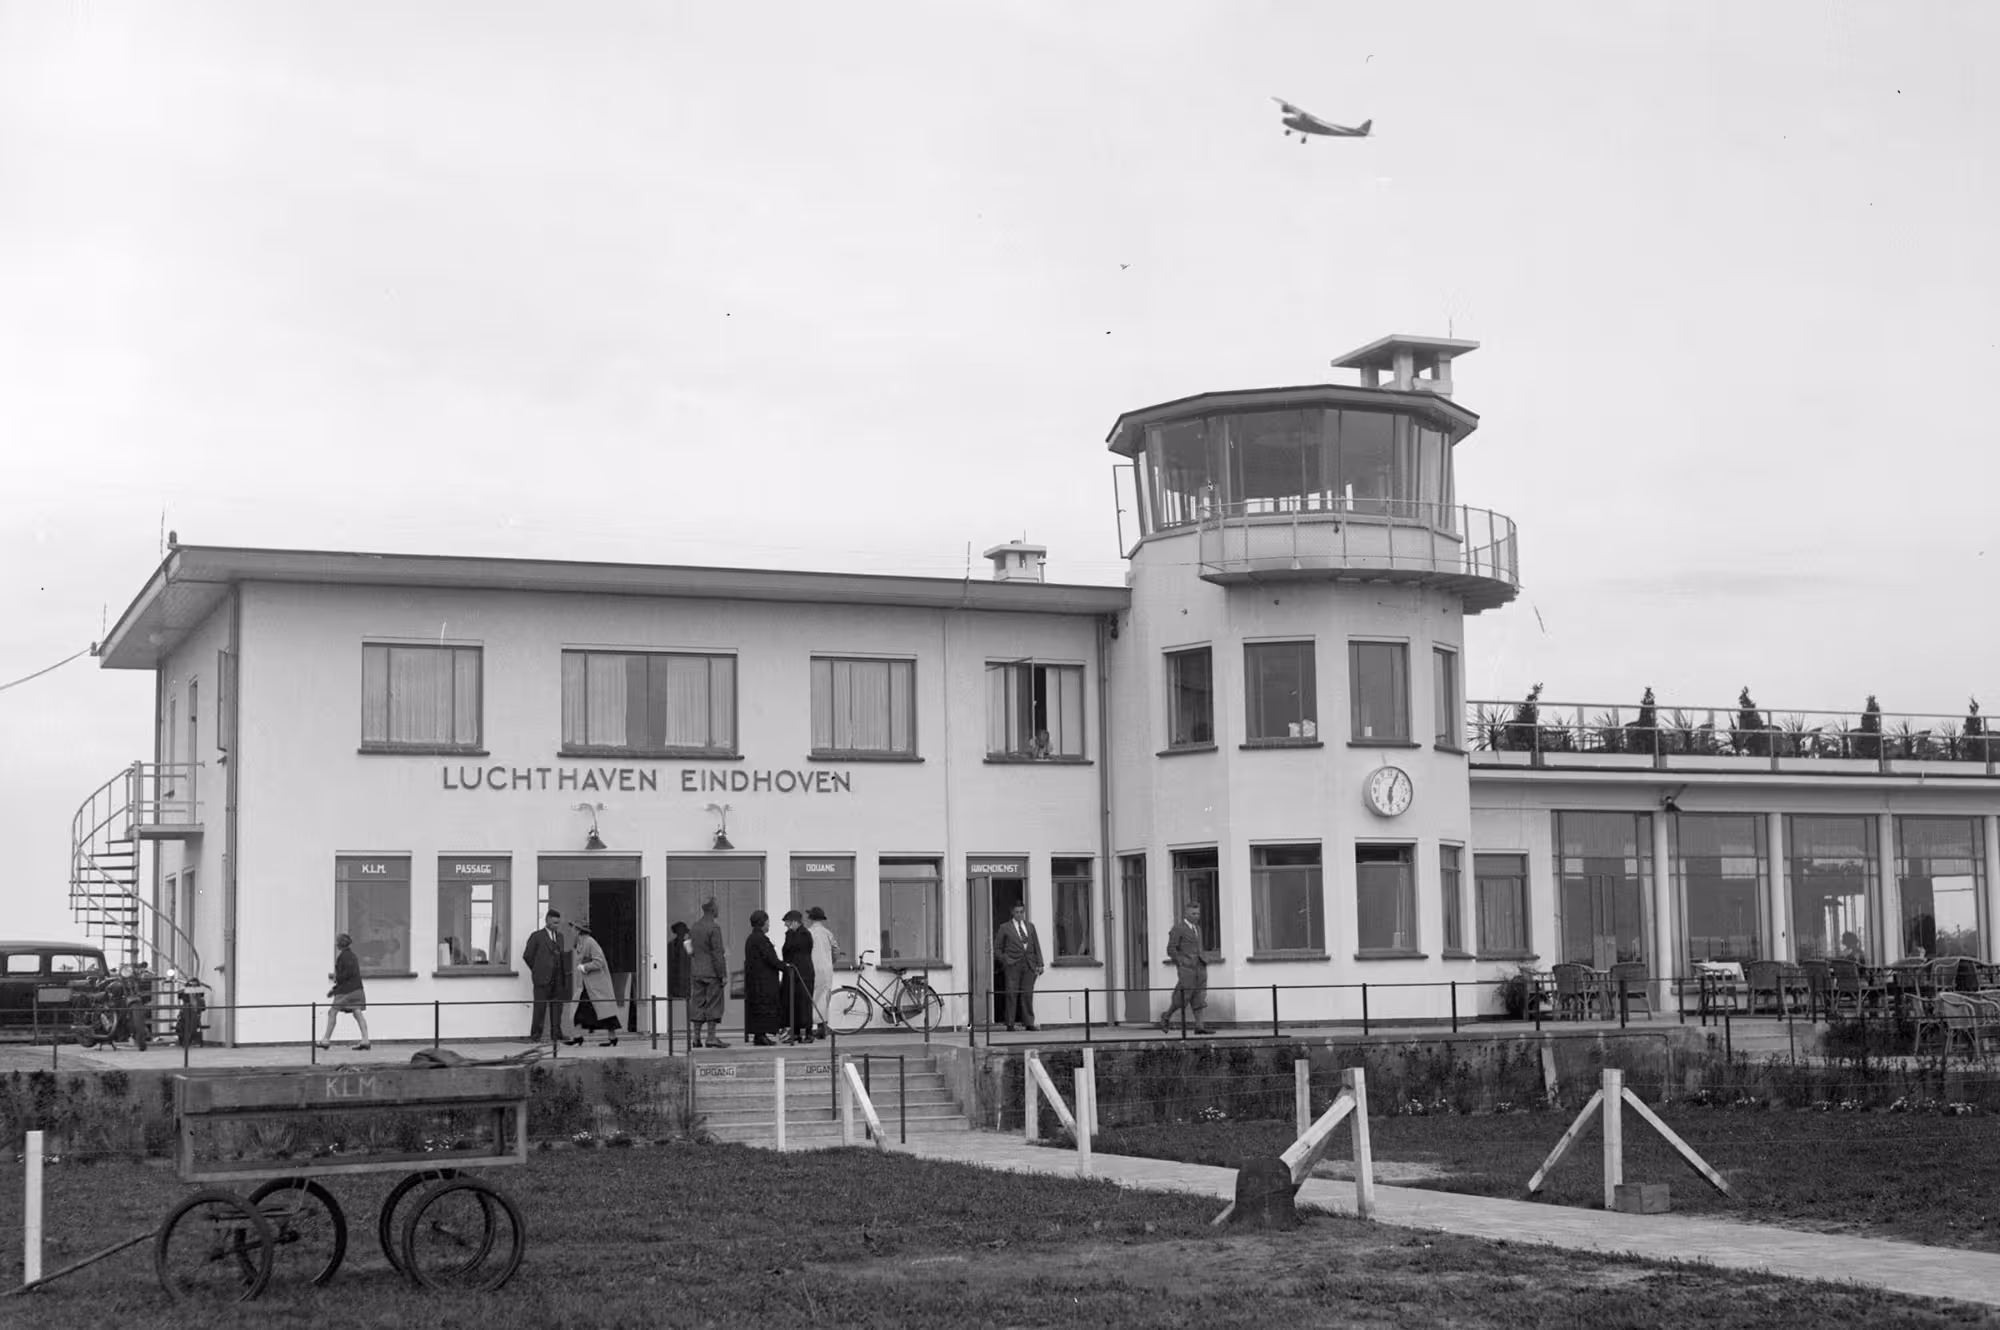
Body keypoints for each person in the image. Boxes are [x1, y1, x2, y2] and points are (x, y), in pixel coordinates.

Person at [1158, 899, 1211, 1035]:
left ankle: (1199, 1026)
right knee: (1183, 996)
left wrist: (1204, 958)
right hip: (1187, 968)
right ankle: (1166, 1016)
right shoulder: (1178, 928)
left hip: (1200, 966)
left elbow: (1198, 947)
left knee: (1200, 996)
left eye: (1198, 913)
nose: (1196, 916)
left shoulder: (1198, 928)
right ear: (1186, 914)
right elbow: (1171, 949)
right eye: (1193, 913)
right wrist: (1182, 962)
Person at [993, 901, 1044, 1031]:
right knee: (1012, 993)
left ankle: (1029, 1023)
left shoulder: (1030, 926)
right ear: (1012, 912)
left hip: (1029, 964)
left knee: (1027, 994)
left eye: (1021, 912)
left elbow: (1036, 946)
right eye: (1017, 912)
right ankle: (1010, 1023)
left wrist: (1040, 964)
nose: (1019, 914)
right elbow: (997, 949)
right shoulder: (1005, 927)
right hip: (1013, 965)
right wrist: (1006, 960)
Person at [523, 909, 570, 1044]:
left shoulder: (560, 937)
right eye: (554, 923)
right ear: (547, 921)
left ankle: (556, 1034)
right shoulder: (536, 936)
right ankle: (536, 1036)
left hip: (558, 979)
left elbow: (561, 956)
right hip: (542, 978)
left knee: (557, 1008)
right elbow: (527, 956)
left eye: (558, 923)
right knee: (540, 1008)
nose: (557, 925)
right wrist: (537, 970)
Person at [318, 932, 371, 1051]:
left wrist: (335, 983)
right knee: (357, 1013)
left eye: (337, 942)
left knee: (332, 1012)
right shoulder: (353, 956)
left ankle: (326, 1040)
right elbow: (352, 974)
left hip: (346, 991)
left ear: (339, 944)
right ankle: (365, 1040)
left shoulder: (342, 957)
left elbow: (345, 976)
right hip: (358, 990)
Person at [572, 922, 622, 1047]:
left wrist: (584, 967)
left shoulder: (590, 942)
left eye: (573, 927)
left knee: (605, 1012)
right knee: (582, 1010)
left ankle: (611, 1038)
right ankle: (578, 1036)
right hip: (588, 985)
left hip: (597, 985)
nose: (572, 930)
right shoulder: (581, 943)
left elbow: (599, 962)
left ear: (578, 930)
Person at [688, 899, 729, 1048]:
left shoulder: (694, 926)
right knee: (714, 1004)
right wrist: (722, 974)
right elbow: (717, 954)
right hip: (712, 972)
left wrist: (695, 960)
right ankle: (711, 1037)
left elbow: (689, 948)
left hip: (696, 971)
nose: (718, 911)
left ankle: (696, 1038)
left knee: (697, 1003)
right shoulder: (714, 928)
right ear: (713, 910)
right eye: (717, 908)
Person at [743, 910, 785, 1047]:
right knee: (764, 1007)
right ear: (762, 923)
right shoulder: (760, 939)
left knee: (758, 1007)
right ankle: (761, 1036)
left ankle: (759, 1035)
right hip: (762, 982)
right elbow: (771, 958)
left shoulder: (751, 938)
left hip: (755, 980)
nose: (769, 925)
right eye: (767, 922)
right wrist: (785, 967)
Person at [779, 910, 816, 1044]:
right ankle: (795, 1033)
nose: (786, 925)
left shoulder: (804, 934)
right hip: (793, 973)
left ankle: (808, 1033)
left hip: (803, 973)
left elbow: (790, 949)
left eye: (788, 923)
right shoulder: (793, 934)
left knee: (804, 1003)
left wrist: (790, 933)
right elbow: (786, 952)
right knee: (792, 1003)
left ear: (795, 922)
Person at [806, 906, 838, 1039]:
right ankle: (822, 1027)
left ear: (810, 918)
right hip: (827, 970)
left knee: (811, 997)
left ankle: (810, 1028)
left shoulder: (808, 933)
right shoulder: (828, 933)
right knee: (824, 998)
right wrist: (831, 962)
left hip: (812, 969)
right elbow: (835, 950)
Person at [668, 921, 692, 1002]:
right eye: (680, 931)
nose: (682, 934)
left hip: (684, 977)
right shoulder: (670, 945)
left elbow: (691, 960)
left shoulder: (688, 945)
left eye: (683, 932)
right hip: (673, 977)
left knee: (685, 998)